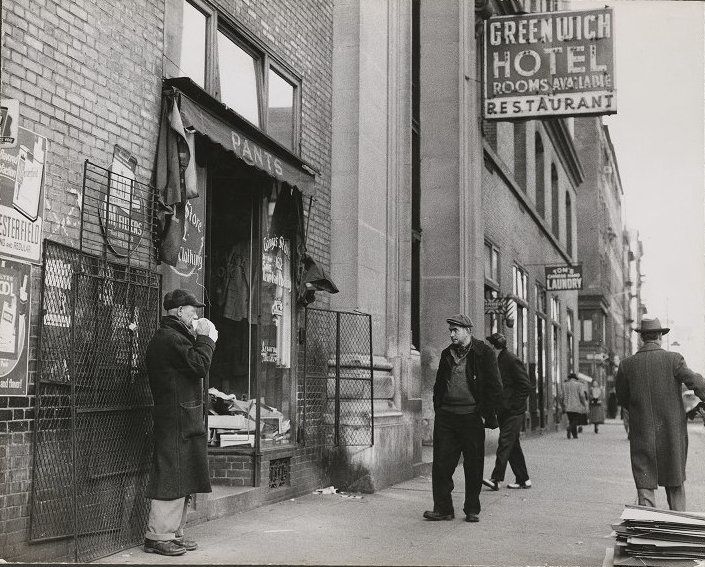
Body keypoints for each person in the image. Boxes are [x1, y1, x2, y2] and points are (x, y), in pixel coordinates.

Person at [143, 289, 219, 555]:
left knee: (182, 473)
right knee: (172, 474)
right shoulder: (170, 339)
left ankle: (173, 532)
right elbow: (199, 365)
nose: (196, 314)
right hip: (175, 417)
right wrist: (207, 339)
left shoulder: (175, 337)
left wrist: (201, 339)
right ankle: (158, 536)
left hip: (181, 416)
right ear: (178, 311)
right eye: (192, 310)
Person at [616, 317, 705, 511]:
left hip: (642, 432)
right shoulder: (674, 359)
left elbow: (622, 399)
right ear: (659, 336)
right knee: (675, 482)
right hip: (671, 433)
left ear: (642, 338)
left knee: (645, 483)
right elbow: (696, 383)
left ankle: (648, 529)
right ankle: (678, 525)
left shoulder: (626, 365)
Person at [423, 314, 503, 523]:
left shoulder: (484, 353)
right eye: (450, 330)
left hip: (471, 417)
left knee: (473, 465)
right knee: (441, 464)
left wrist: (489, 413)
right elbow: (440, 384)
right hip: (447, 417)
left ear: (468, 330)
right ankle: (443, 508)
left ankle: (472, 509)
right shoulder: (446, 354)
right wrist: (438, 407)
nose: (451, 334)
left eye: (455, 330)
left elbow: (494, 386)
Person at [482, 332, 532, 491]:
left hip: (513, 412)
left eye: (490, 345)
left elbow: (526, 385)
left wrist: (514, 406)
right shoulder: (498, 360)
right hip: (505, 411)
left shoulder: (510, 359)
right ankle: (523, 479)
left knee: (504, 443)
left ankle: (496, 479)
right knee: (512, 446)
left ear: (494, 346)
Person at [562, 372, 587, 439]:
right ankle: (569, 428)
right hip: (576, 405)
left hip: (567, 405)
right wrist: (584, 403)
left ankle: (575, 435)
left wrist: (563, 404)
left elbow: (562, 395)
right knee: (576, 420)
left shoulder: (565, 385)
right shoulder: (579, 384)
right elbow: (581, 395)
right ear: (575, 378)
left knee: (571, 420)